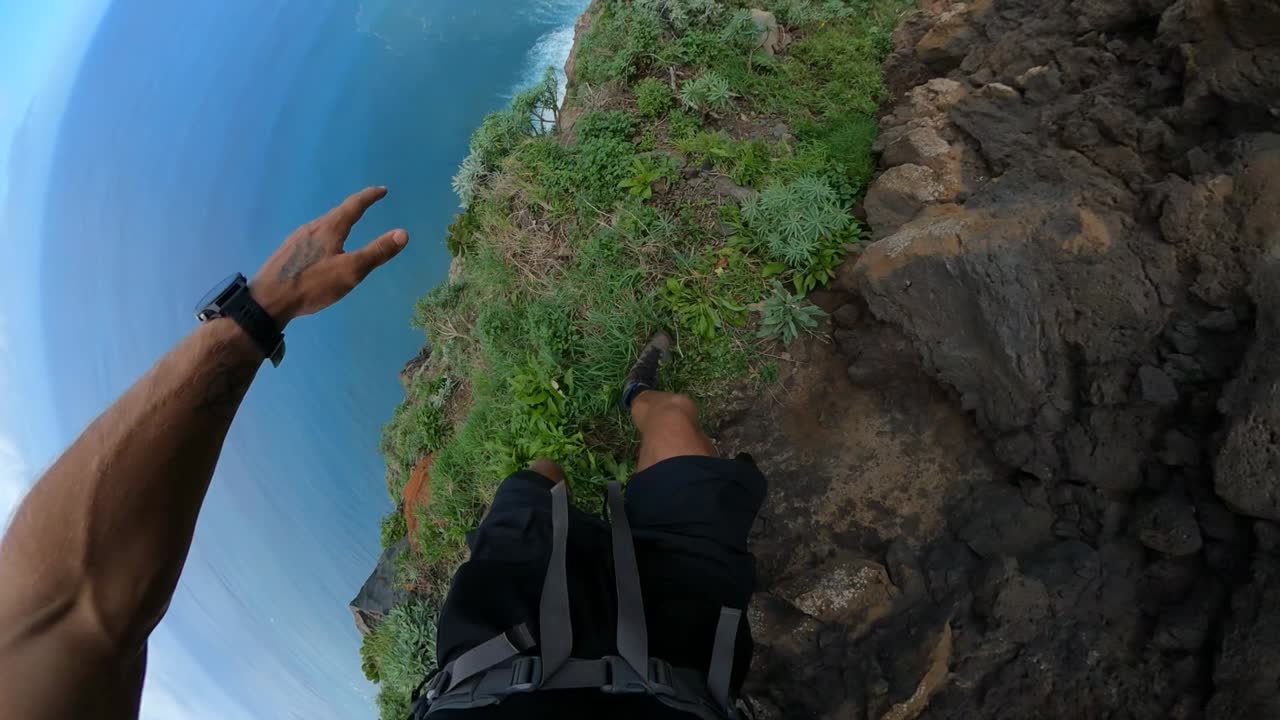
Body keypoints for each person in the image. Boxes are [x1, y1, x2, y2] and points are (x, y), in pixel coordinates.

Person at [0, 187, 767, 720]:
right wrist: (257, 313)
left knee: (536, 489)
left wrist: (261, 312)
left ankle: (597, 443)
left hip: (559, 665)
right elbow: (68, 605)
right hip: (611, 670)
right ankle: (637, 408)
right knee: (640, 453)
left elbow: (70, 612)